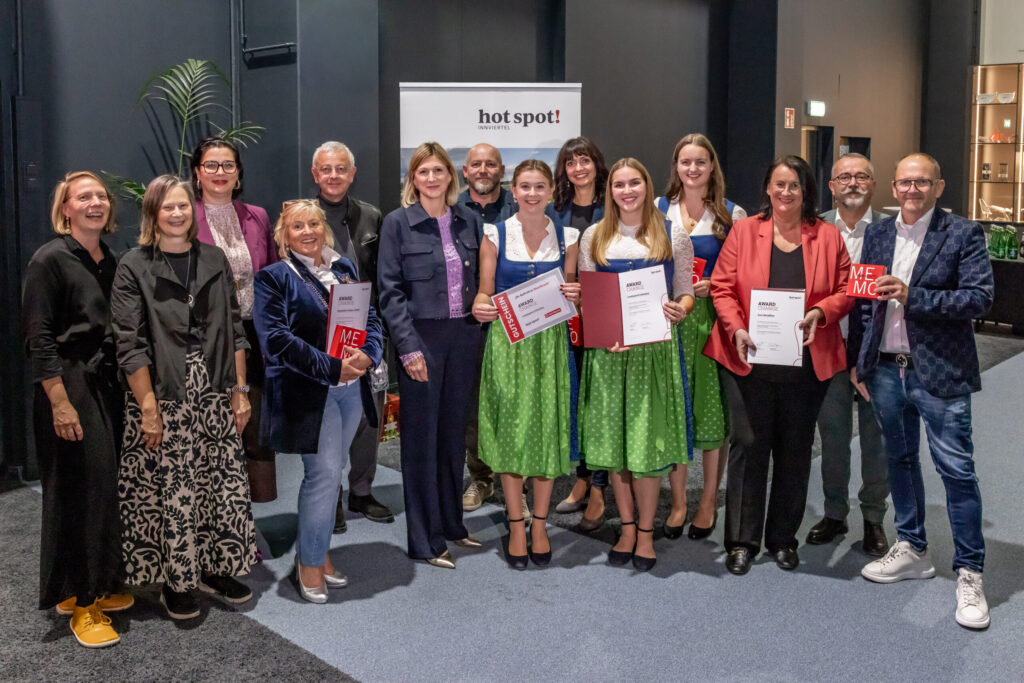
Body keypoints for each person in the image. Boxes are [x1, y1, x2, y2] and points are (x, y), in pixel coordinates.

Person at [850, 153, 994, 629]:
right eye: (905, 183)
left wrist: (914, 296)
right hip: (885, 369)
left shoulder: (963, 233)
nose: (912, 190)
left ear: (939, 186)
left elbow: (979, 298)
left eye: (922, 182)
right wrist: (859, 361)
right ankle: (912, 546)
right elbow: (865, 303)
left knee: (956, 470)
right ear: (893, 187)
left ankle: (970, 571)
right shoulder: (878, 234)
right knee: (900, 460)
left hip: (941, 372)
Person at [112, 175, 257, 620]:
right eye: (167, 207)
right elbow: (129, 344)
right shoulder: (133, 265)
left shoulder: (213, 258)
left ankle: (214, 567)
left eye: (182, 206)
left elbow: (235, 329)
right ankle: (176, 580)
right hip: (162, 390)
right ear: (152, 213)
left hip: (215, 387)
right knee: (174, 487)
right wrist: (148, 409)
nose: (176, 214)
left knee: (219, 482)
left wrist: (240, 392)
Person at [705, 155, 853, 576]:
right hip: (747, 357)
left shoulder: (827, 236)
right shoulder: (744, 230)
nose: (786, 192)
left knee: (796, 448)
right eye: (779, 184)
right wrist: (736, 329)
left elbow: (846, 289)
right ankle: (741, 541)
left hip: (806, 362)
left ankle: (783, 538)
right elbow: (722, 288)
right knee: (748, 445)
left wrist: (821, 312)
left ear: (806, 191)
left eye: (794, 185)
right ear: (767, 189)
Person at [254, 199, 384, 603]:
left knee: (333, 472)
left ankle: (318, 551)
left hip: (351, 387)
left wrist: (369, 355)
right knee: (324, 474)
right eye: (297, 226)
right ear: (284, 235)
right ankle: (309, 562)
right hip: (310, 390)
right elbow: (276, 341)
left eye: (313, 223)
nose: (307, 231)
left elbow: (370, 318)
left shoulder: (343, 268)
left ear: (323, 228)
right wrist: (331, 368)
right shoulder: (273, 278)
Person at [22, 172, 130, 648]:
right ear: (65, 208)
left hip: (105, 385)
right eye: (83, 197)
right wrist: (60, 402)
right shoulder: (48, 260)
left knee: (99, 490)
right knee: (80, 492)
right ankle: (84, 606)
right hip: (66, 387)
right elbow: (39, 339)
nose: (95, 203)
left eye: (101, 196)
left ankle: (90, 586)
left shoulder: (111, 260)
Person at [577, 157, 695, 572]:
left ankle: (645, 533)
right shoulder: (594, 235)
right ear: (610, 191)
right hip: (609, 355)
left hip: (653, 355)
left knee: (645, 447)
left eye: (634, 183)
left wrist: (681, 308)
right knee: (616, 448)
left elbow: (685, 291)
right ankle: (626, 528)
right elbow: (589, 300)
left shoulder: (672, 233)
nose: (627, 191)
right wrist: (599, 327)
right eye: (619, 185)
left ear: (647, 186)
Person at [378, 142, 484, 569]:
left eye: (439, 170)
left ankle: (452, 524)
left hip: (465, 339)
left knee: (453, 436)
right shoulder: (397, 224)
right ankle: (424, 539)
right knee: (422, 441)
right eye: (423, 171)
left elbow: (483, 281)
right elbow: (390, 293)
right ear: (413, 179)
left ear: (450, 176)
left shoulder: (469, 220)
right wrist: (408, 348)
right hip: (422, 340)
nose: (432, 178)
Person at [471, 159, 581, 569]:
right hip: (509, 343)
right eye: (524, 186)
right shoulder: (495, 234)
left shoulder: (569, 237)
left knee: (547, 432)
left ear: (551, 191)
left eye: (539, 187)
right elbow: (484, 292)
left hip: (550, 346)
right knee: (512, 434)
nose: (532, 194)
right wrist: (480, 306)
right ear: (513, 190)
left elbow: (573, 291)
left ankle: (540, 524)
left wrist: (577, 293)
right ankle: (517, 523)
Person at [656, 133, 747, 540]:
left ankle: (708, 500)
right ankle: (678, 502)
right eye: (685, 162)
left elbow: (749, 272)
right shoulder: (657, 209)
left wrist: (720, 283)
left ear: (712, 167)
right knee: (674, 412)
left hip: (713, 322)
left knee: (712, 414)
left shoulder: (732, 214)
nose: (692, 169)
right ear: (676, 166)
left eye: (700, 162)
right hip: (670, 321)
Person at [806, 153, 890, 557]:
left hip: (878, 353)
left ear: (873, 184)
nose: (852, 183)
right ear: (831, 186)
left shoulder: (892, 231)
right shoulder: (814, 228)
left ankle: (873, 518)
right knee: (833, 437)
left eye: (861, 176)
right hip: (830, 348)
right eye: (844, 177)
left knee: (877, 441)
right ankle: (835, 514)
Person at [311, 141, 395, 529]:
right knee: (328, 419)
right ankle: (330, 496)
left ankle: (361, 490)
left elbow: (384, 274)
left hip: (367, 331)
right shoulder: (303, 216)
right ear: (315, 175)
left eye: (341, 169)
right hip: (319, 335)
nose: (334, 176)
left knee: (368, 416)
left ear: (352, 173)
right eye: (326, 169)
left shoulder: (371, 216)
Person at [191, 137, 278, 503]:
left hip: (254, 335)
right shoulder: (183, 216)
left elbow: (272, 273)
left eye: (228, 165)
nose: (220, 172)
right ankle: (215, 514)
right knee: (213, 428)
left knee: (253, 427)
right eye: (211, 165)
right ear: (197, 173)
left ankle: (248, 518)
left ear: (238, 173)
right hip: (206, 339)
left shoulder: (257, 216)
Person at [548, 136, 612, 532]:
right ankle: (583, 477)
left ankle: (600, 487)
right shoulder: (555, 210)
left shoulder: (614, 207)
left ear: (596, 165)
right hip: (565, 322)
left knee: (599, 402)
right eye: (571, 162)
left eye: (584, 160)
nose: (578, 168)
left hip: (605, 318)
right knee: (576, 403)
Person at [458, 143, 519, 516]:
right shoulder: (452, 210)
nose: (483, 170)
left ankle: (516, 483)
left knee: (515, 404)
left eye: (491, 164)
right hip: (469, 323)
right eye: (476, 164)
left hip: (518, 324)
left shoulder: (521, 205)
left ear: (502, 170)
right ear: (465, 171)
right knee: (474, 407)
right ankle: (481, 477)